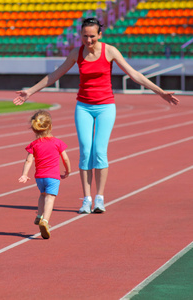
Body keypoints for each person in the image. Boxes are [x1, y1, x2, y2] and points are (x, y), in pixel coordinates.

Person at [14, 17, 180, 215]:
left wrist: (160, 91)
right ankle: (86, 199)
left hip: (105, 107)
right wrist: (30, 91)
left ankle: (99, 197)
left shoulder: (110, 51)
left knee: (99, 151)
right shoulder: (77, 53)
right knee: (85, 152)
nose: (89, 40)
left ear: (99, 35)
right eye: (85, 36)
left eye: (92, 36)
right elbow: (55, 75)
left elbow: (135, 74)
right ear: (81, 36)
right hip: (83, 107)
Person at [18, 110, 71, 239]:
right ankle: (45, 221)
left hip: (39, 177)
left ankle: (39, 215)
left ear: (34, 129)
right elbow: (66, 158)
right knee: (50, 198)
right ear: (50, 126)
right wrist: (68, 170)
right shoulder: (57, 142)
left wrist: (24, 174)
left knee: (42, 195)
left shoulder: (34, 144)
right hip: (52, 176)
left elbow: (28, 160)